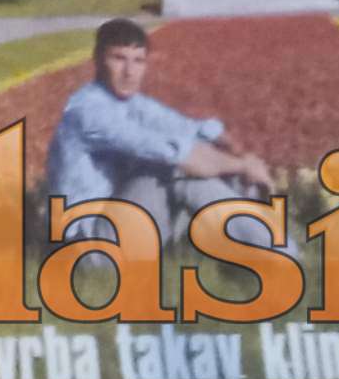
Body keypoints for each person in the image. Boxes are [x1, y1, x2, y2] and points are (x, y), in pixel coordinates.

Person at [42, 20, 284, 255]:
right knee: (174, 167)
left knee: (210, 156)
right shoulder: (88, 111)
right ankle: (276, 252)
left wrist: (240, 154)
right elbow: (175, 153)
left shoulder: (132, 103)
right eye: (118, 58)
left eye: (138, 61)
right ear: (97, 59)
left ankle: (253, 246)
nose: (129, 72)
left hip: (122, 224)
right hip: (87, 246)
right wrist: (243, 165)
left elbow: (192, 129)